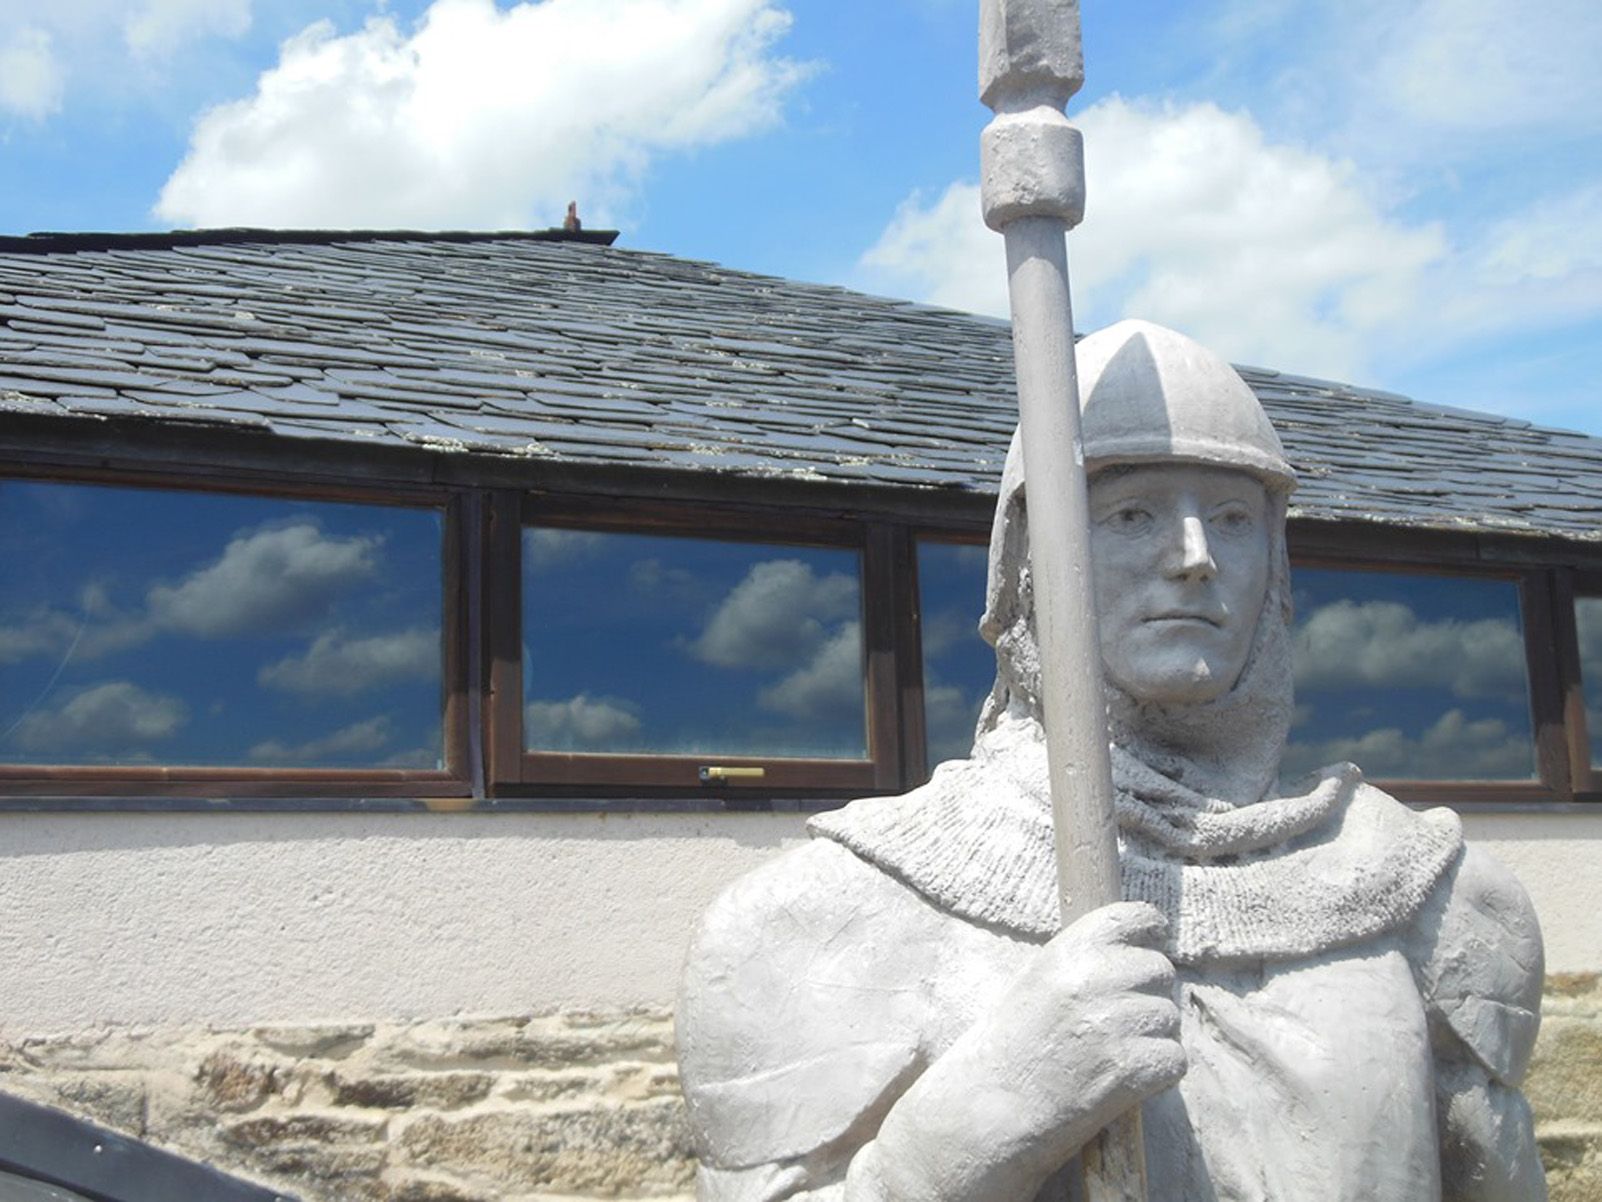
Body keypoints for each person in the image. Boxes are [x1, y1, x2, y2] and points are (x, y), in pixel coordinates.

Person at [676, 320, 1547, 1202]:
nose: (1197, 559)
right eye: (1133, 513)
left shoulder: (1432, 899)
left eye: (1237, 519)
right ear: (1027, 564)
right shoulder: (828, 917)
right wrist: (969, 1132)